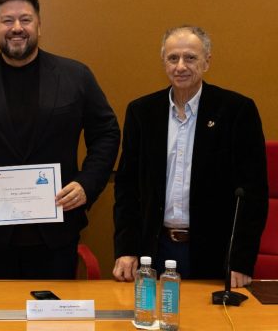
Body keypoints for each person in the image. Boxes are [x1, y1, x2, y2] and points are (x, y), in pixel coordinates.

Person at [0, 0, 120, 279]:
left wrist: (87, 184)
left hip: (56, 237)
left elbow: (107, 133)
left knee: (52, 324)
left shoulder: (75, 77)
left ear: (39, 26)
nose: (17, 28)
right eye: (7, 21)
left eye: (25, 19)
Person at [112, 25, 268, 287]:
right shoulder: (142, 112)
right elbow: (127, 188)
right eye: (173, 58)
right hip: (155, 250)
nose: (180, 66)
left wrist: (240, 260)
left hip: (214, 252)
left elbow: (253, 194)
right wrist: (126, 248)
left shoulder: (236, 111)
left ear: (207, 62)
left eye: (190, 58)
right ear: (164, 62)